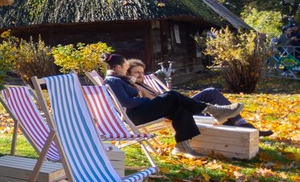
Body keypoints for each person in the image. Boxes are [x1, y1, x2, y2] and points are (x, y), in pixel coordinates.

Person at [103, 53, 243, 159]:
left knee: (179, 108)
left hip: (138, 113)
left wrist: (142, 97)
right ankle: (213, 110)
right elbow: (126, 104)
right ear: (118, 67)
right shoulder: (113, 81)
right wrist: (144, 99)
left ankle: (183, 145)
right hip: (133, 117)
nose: (127, 69)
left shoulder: (119, 79)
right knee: (172, 95)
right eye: (126, 67)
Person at [124, 58, 272, 138]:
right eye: (137, 72)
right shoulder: (131, 87)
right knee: (210, 97)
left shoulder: (144, 83)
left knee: (211, 92)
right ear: (128, 73)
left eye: (142, 72)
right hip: (172, 111)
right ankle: (242, 127)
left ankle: (242, 125)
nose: (141, 75)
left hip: (176, 104)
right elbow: (147, 105)